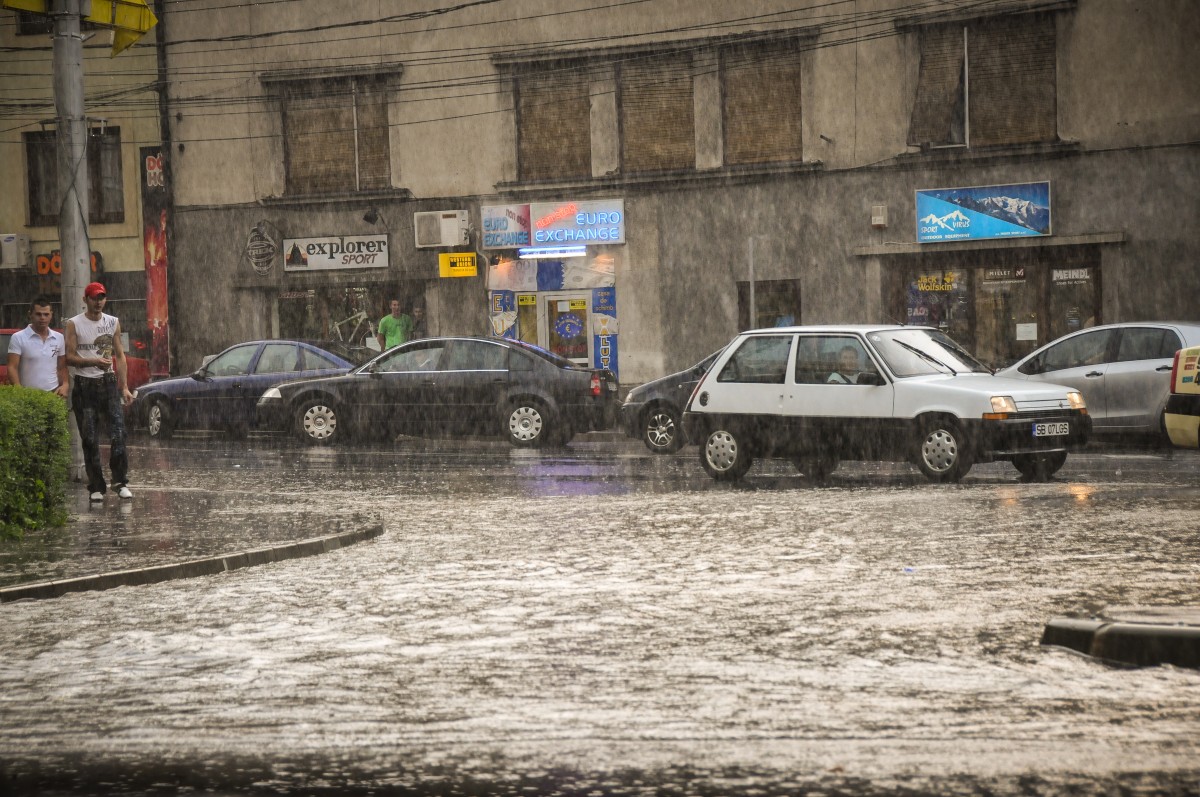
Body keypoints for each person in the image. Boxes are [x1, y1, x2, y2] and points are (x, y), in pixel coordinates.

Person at [66, 282, 135, 502]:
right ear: (85, 299)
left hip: (108, 383)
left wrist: (123, 386)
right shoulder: (74, 324)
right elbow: (69, 357)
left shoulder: (112, 322)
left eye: (102, 298)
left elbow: (120, 356)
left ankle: (120, 481)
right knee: (89, 437)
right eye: (94, 298)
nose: (98, 302)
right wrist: (92, 361)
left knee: (118, 432)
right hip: (85, 386)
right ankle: (96, 486)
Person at [6, 295, 68, 398]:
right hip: (27, 394)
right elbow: (12, 367)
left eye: (46, 314)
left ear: (51, 315)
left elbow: (62, 367)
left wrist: (65, 384)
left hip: (54, 393)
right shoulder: (18, 337)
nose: (42, 318)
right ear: (30, 314)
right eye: (38, 314)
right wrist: (19, 391)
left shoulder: (59, 337)